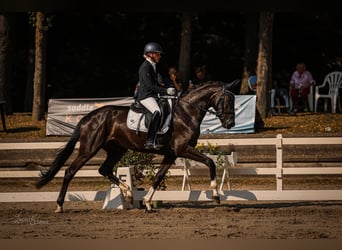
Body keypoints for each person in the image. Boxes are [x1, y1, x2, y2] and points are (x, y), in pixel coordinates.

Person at [135, 42, 176, 149]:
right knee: (156, 111)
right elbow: (149, 86)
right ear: (150, 54)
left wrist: (168, 91)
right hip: (145, 96)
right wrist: (166, 91)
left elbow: (155, 84)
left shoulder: (152, 66)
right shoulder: (145, 67)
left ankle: (161, 135)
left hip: (152, 95)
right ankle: (150, 140)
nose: (160, 56)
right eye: (158, 54)